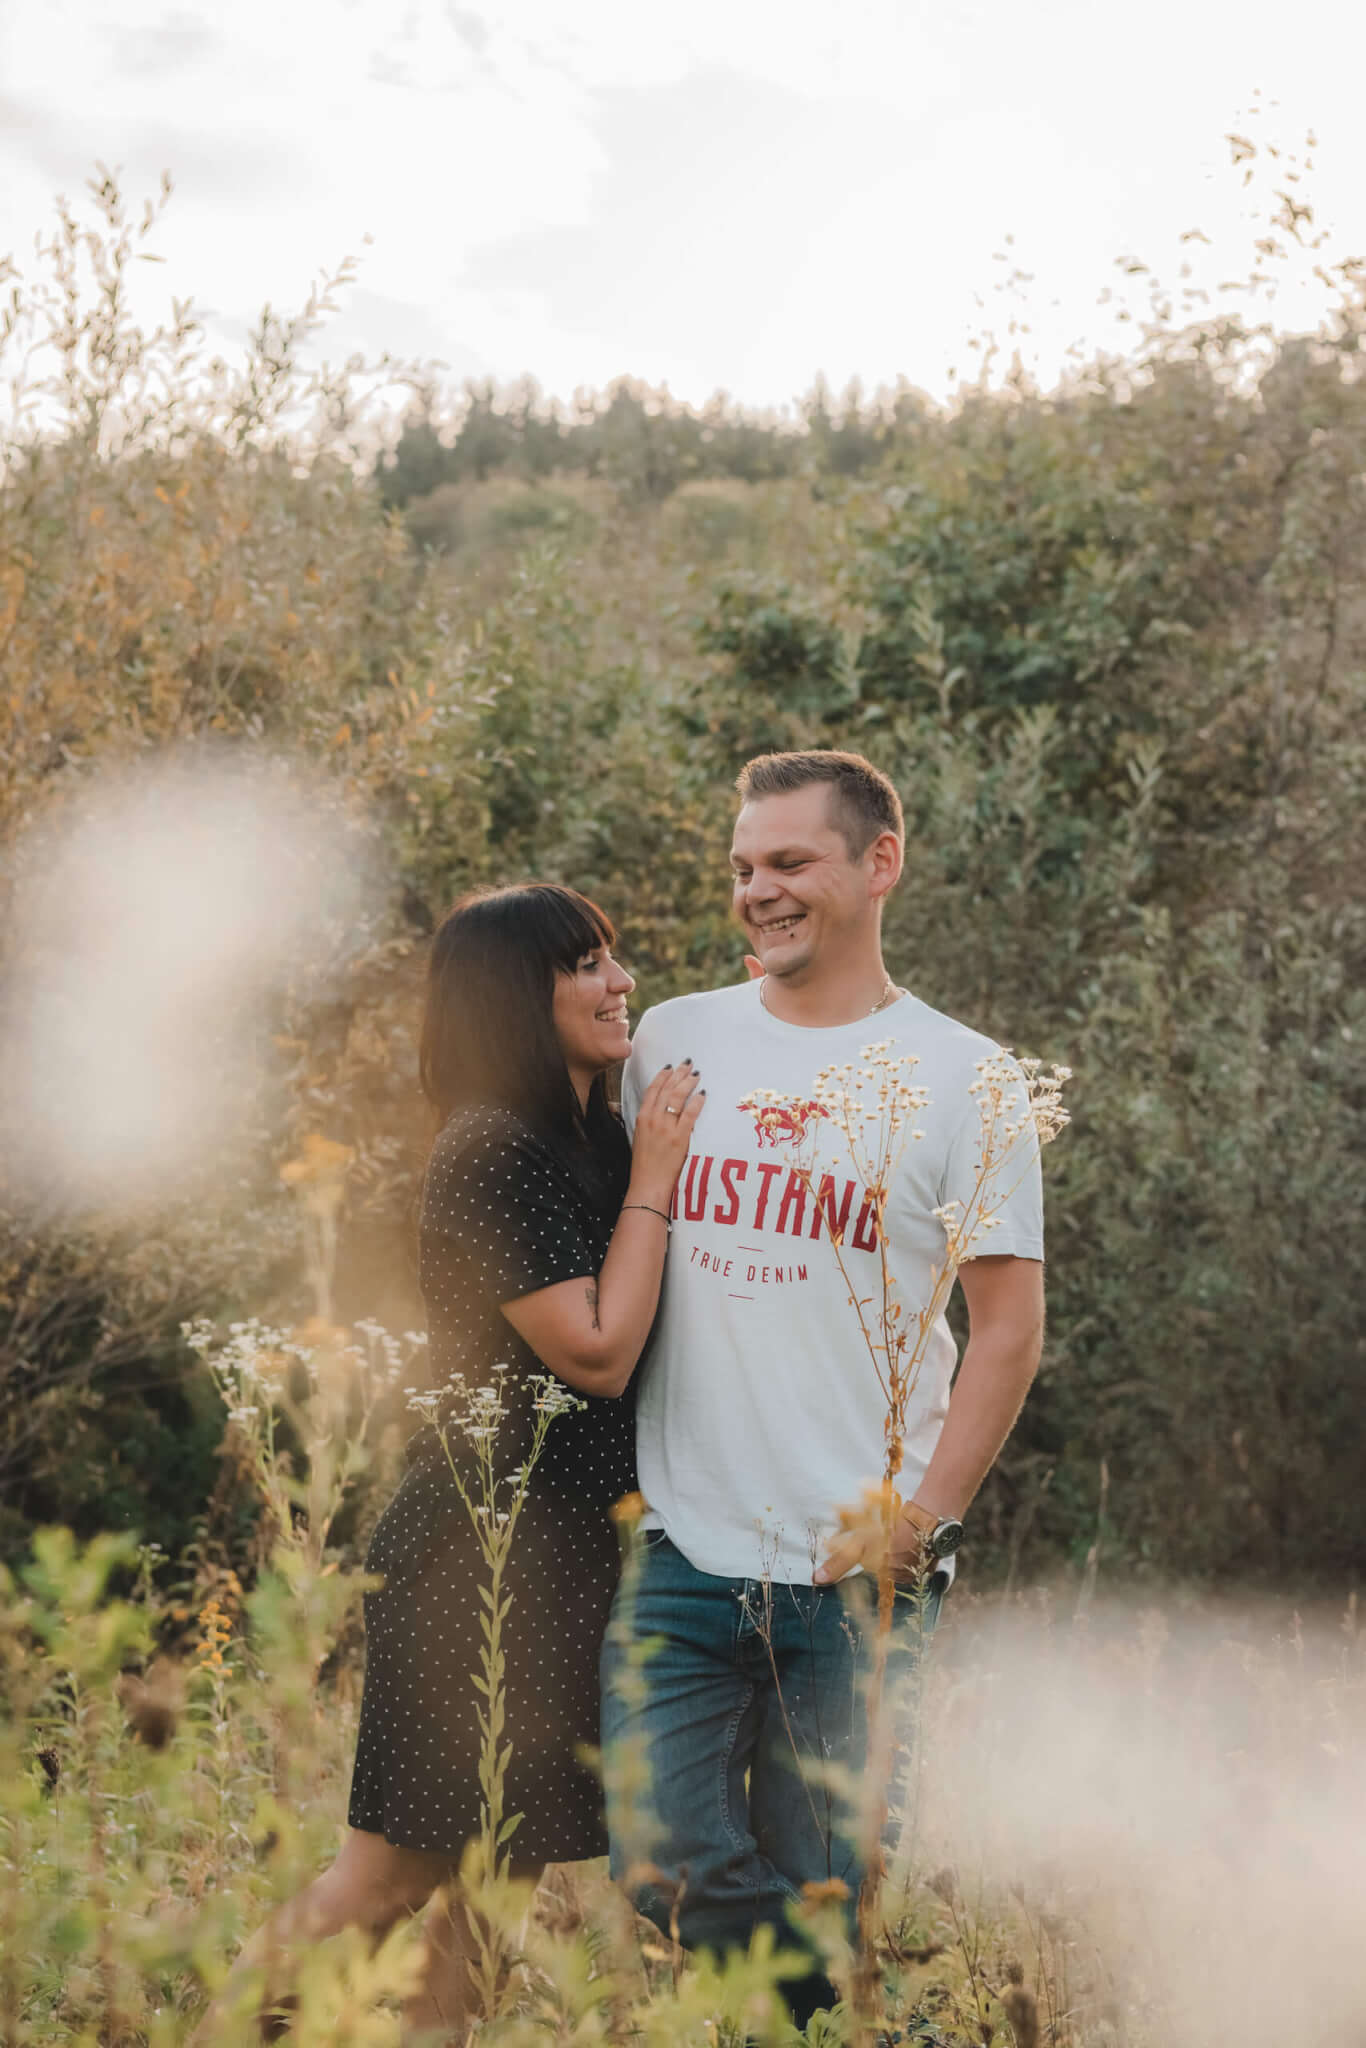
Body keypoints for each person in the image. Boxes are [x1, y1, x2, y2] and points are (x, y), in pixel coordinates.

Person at [204, 883, 702, 2040]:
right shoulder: (492, 1146)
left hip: (571, 1547)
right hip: (475, 1547)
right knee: (386, 1877)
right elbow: (594, 1350)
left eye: (612, 957)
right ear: (513, 998)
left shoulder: (592, 1134)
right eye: (585, 964)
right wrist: (654, 1185)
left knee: (499, 1880)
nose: (619, 980)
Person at [602, 751, 1047, 2026]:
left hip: (859, 1569)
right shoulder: (675, 1038)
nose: (758, 890)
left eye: (789, 862)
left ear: (877, 865)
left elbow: (1007, 1329)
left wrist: (920, 1523)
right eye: (744, 866)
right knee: (657, 1861)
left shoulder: (967, 1075)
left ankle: (833, 2004)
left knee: (821, 1887)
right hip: (681, 1542)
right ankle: (864, 2016)